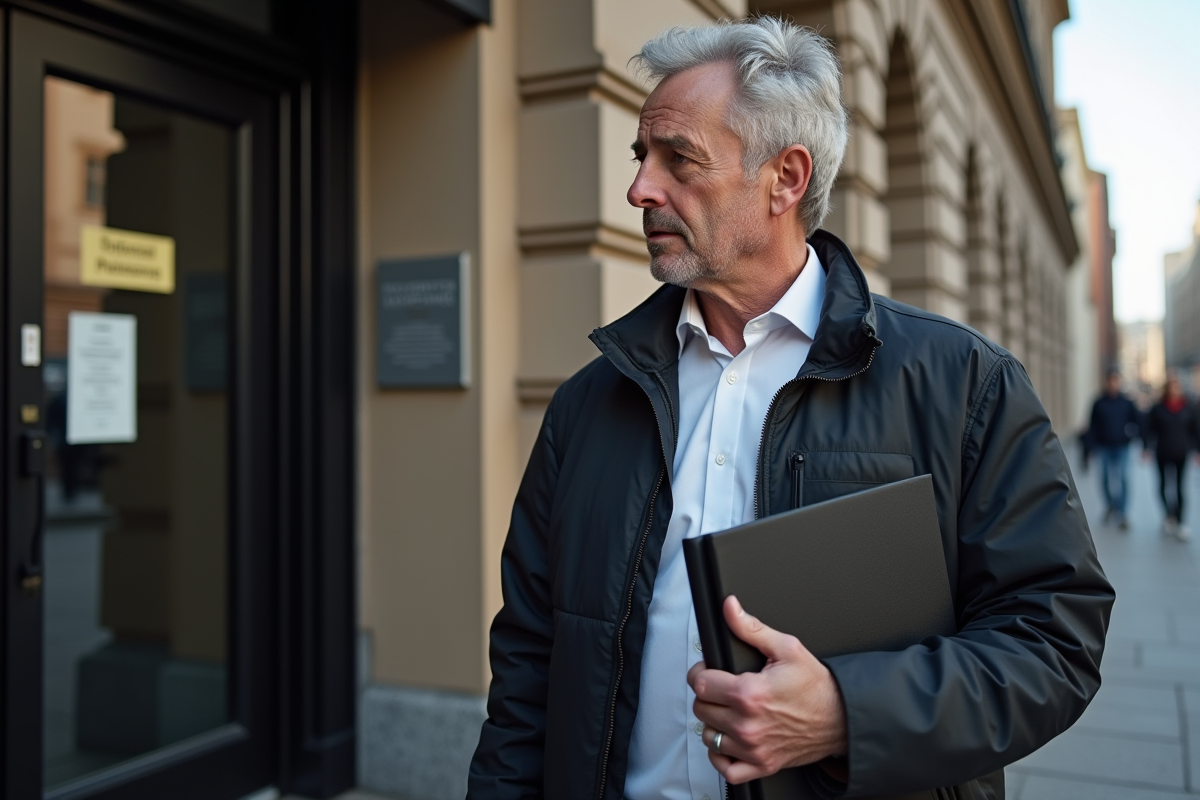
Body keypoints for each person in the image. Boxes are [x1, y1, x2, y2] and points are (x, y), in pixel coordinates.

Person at [468, 18, 1112, 799]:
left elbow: (1054, 639)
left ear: (786, 177)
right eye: (643, 157)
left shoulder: (964, 385)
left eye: (680, 158)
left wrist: (848, 714)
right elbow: (529, 669)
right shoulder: (588, 404)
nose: (640, 189)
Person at [1142, 373, 1200, 541]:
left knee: (1180, 487)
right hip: (1162, 452)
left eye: (1177, 387)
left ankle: (1181, 521)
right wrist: (1146, 448)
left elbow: (1196, 430)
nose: (1174, 390)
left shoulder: (1189, 408)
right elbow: (1149, 428)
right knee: (1162, 486)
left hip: (1181, 452)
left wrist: (1198, 450)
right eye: (1171, 387)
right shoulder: (1158, 408)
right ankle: (1169, 515)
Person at [1085, 369, 1141, 529]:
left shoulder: (1126, 402)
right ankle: (1111, 506)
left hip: (1122, 446)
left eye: (1116, 380)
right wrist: (1088, 449)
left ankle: (1123, 513)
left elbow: (1137, 421)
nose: (1113, 384)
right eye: (1110, 380)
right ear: (1106, 382)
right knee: (1104, 479)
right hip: (1103, 447)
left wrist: (1131, 436)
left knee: (1123, 478)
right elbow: (1092, 426)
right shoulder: (1098, 402)